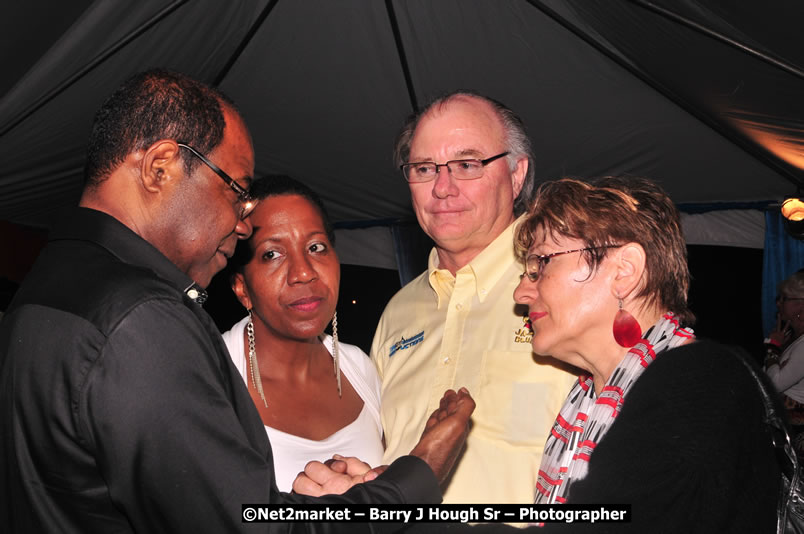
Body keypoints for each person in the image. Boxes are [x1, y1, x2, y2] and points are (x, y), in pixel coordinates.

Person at [0, 69, 474, 534]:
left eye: (317, 247)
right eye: (238, 192)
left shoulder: (48, 286)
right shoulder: (140, 320)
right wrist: (421, 470)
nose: (243, 223)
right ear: (159, 168)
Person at [410, 176, 782, 534]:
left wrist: (393, 509)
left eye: (541, 264)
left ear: (624, 272)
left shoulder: (701, 383)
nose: (521, 293)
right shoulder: (591, 398)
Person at [370, 91, 576, 504]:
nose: (442, 189)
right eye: (424, 168)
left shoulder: (569, 283)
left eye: (467, 165)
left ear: (517, 175)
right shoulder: (398, 313)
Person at [220, 175, 383, 491]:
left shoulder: (358, 367)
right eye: (272, 254)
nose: (304, 272)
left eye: (316, 247)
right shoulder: (213, 377)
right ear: (242, 287)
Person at [764, 271, 804, 456]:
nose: (778, 303)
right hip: (782, 425)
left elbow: (775, 384)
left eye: (784, 298)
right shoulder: (790, 337)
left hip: (795, 432)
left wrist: (772, 349)